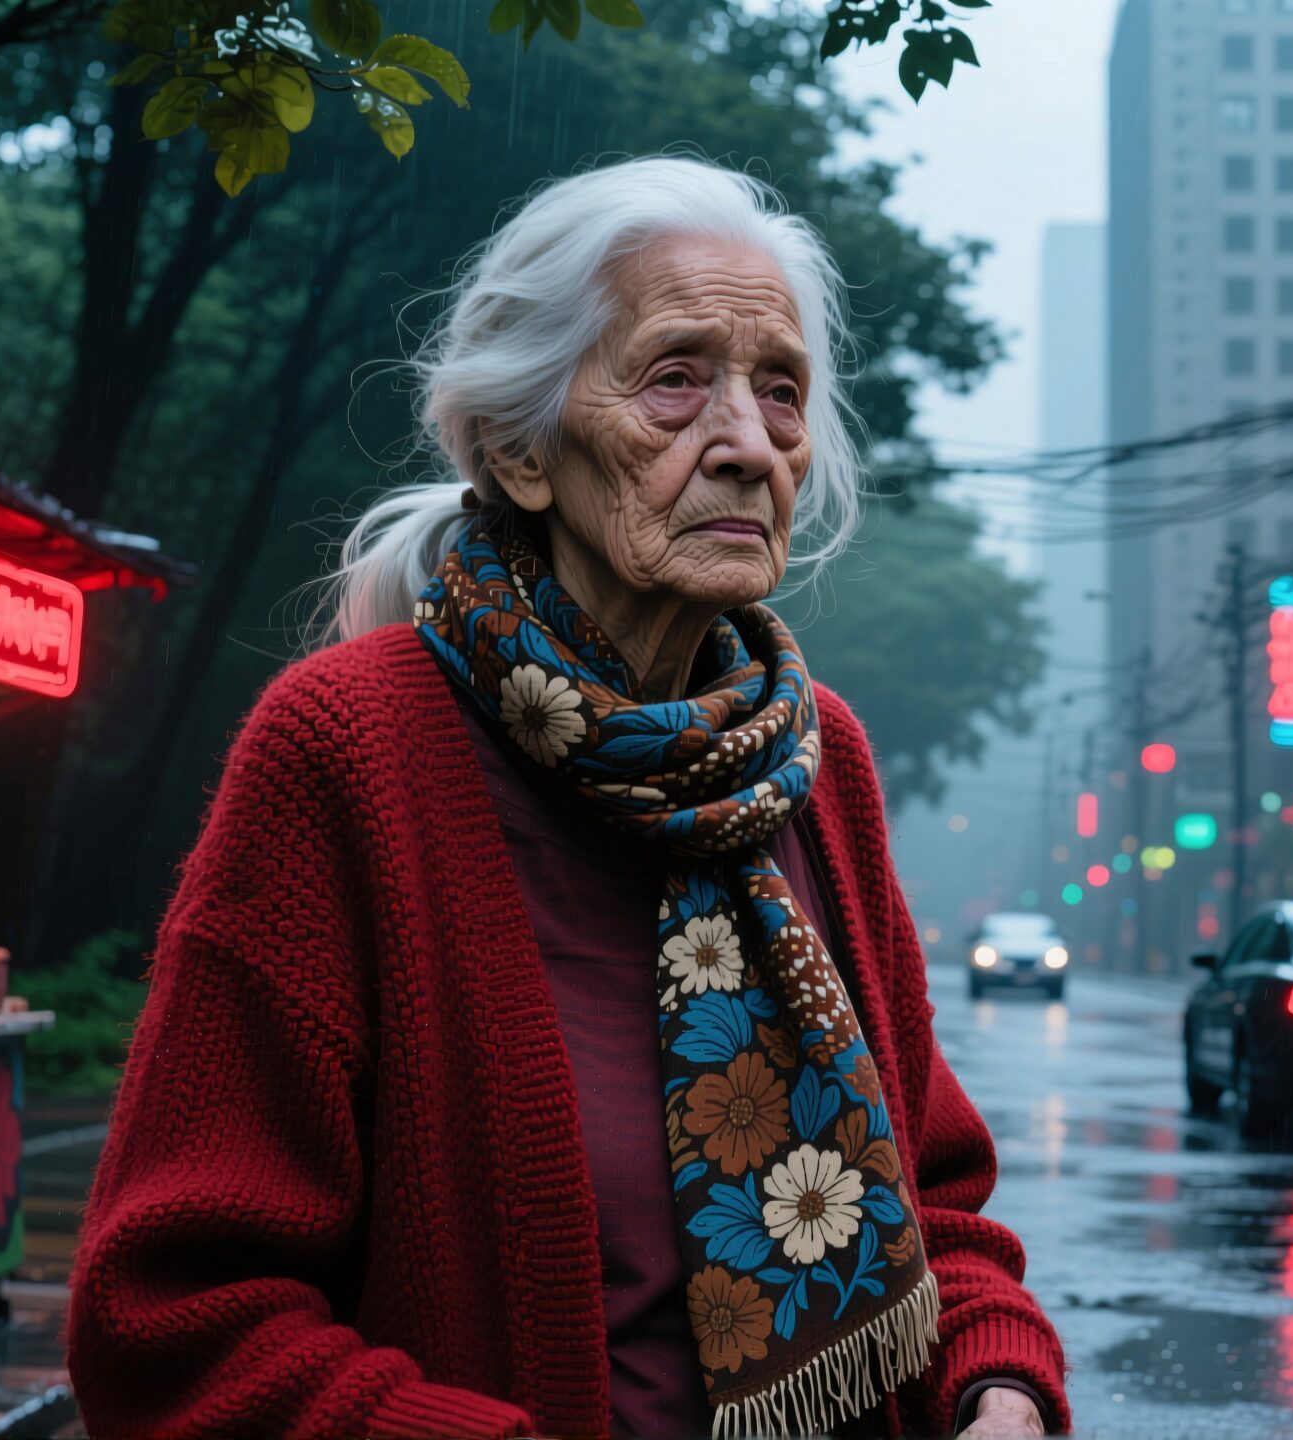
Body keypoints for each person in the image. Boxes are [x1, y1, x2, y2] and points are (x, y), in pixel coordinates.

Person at [66, 156, 1068, 1440]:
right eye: (674, 382)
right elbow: (174, 1320)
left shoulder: (814, 763)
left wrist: (994, 1383)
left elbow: (932, 1205)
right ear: (518, 452)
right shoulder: (348, 751)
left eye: (781, 392)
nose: (751, 447)